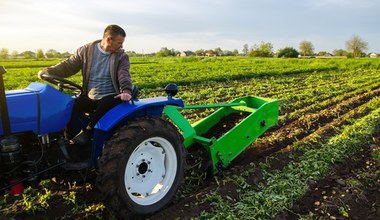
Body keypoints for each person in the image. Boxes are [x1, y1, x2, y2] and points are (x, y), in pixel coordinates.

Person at [38, 24, 132, 145]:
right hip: (90, 96)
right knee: (69, 106)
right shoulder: (86, 51)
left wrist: (126, 91)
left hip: (111, 96)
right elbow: (68, 66)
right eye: (119, 42)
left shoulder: (121, 56)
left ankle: (88, 131)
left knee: (106, 103)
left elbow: (123, 74)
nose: (122, 46)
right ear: (109, 40)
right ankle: (69, 140)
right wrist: (49, 71)